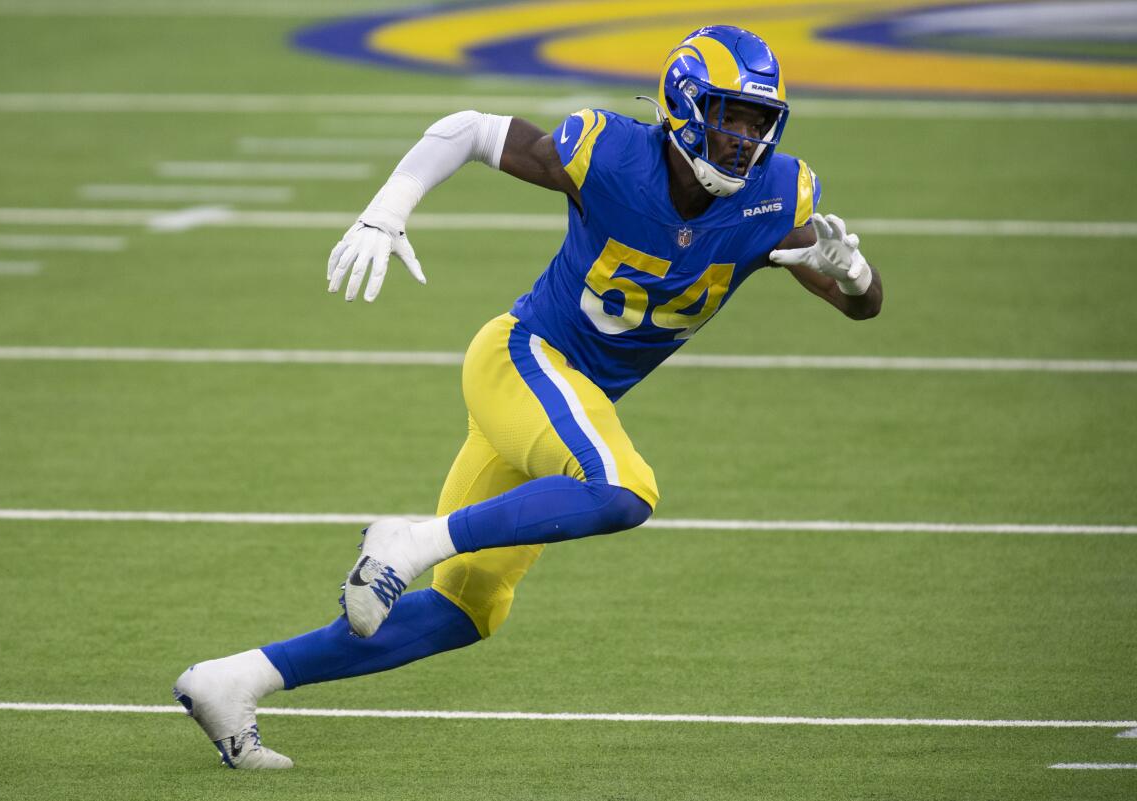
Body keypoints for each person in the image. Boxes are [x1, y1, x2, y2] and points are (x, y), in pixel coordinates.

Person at [172, 25, 883, 769]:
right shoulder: (612, 154)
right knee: (623, 488)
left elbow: (860, 307)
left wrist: (855, 274)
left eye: (758, 120)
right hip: (522, 361)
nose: (743, 138)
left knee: (463, 611)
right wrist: (388, 208)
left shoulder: (775, 199)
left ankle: (234, 679)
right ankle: (407, 539)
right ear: (683, 104)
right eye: (730, 115)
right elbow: (470, 130)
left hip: (562, 398)